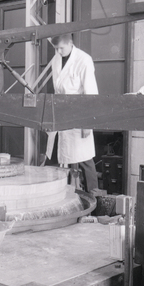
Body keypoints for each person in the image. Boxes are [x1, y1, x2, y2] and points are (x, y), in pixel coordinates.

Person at [43, 33, 100, 193]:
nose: (59, 51)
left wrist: (88, 123)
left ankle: (95, 197)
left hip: (79, 115)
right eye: (56, 48)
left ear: (70, 43)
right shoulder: (56, 60)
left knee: (85, 159)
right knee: (53, 156)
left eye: (61, 48)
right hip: (60, 114)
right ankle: (50, 193)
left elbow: (91, 93)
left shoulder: (84, 60)